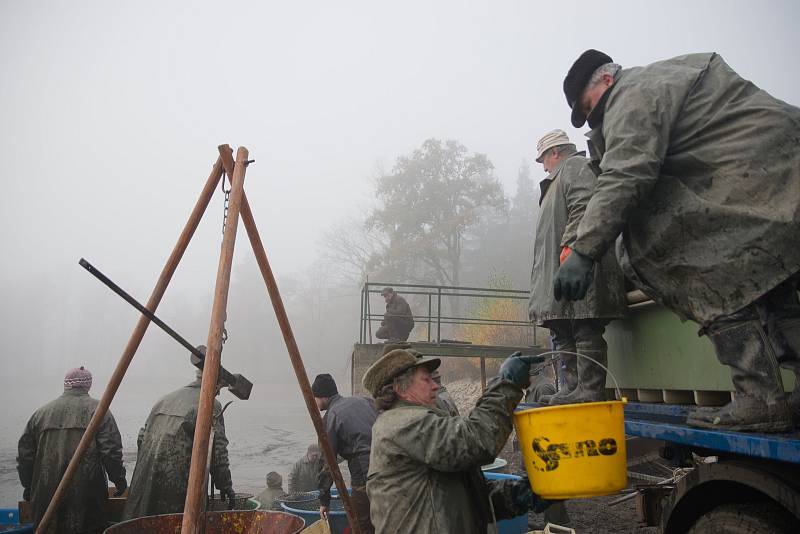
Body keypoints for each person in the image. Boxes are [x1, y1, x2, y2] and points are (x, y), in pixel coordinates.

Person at [555, 49, 800, 432]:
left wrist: (584, 250)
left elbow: (625, 174)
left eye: (589, 108)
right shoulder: (670, 77)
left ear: (605, 79)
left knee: (705, 271)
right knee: (772, 280)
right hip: (777, 178)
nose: (592, 120)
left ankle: (760, 398)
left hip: (754, 182)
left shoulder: (630, 96)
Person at [363, 349, 550, 533]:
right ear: (400, 389)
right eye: (426, 379)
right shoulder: (401, 425)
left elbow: (463, 499)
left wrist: (523, 493)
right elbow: (477, 441)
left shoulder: (421, 423)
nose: (435, 385)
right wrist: (506, 383)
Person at [529, 128, 626, 404]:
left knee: (585, 327)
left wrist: (573, 249)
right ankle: (573, 389)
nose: (543, 166)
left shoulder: (574, 167)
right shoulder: (555, 181)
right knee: (563, 332)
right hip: (559, 274)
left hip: (579, 267)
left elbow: (585, 207)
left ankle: (590, 391)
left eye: (543, 159)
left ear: (554, 153)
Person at [122, 347, 235, 519]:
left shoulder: (164, 400)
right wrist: (225, 486)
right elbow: (217, 453)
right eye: (219, 389)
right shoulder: (210, 405)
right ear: (216, 382)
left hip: (144, 483)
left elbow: (141, 438)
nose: (219, 393)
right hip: (177, 490)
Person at [17, 366, 126, 534]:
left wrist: (28, 486)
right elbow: (111, 452)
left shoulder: (40, 414)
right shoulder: (99, 411)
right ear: (88, 386)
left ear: (66, 385)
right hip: (88, 497)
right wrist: (119, 481)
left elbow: (25, 456)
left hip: (46, 496)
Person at [312, 373, 377, 534]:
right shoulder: (363, 400)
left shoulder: (330, 417)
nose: (314, 402)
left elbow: (327, 464)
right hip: (389, 464)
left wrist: (324, 501)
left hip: (364, 474)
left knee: (363, 525)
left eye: (315, 398)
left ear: (322, 397)